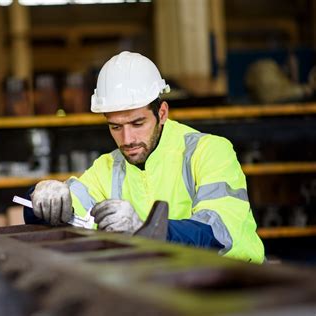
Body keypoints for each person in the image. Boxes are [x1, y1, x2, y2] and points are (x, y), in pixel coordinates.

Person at [25, 51, 264, 263]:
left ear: (162, 113)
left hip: (239, 287)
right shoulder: (108, 168)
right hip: (171, 289)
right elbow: (59, 208)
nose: (127, 139)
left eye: (137, 123)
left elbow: (217, 231)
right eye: (115, 127)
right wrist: (43, 195)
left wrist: (146, 229)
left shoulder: (210, 151)